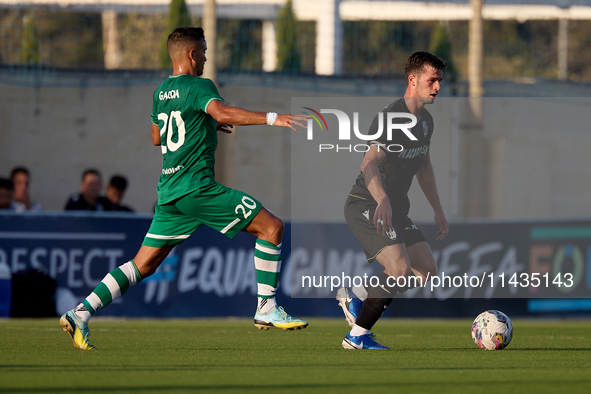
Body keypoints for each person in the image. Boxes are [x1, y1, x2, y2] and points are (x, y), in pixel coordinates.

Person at [60, 27, 309, 350]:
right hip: (197, 188)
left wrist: (202, 122)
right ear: (192, 54)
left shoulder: (161, 92)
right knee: (272, 228)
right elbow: (220, 110)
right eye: (204, 51)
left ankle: (80, 312)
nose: (206, 57)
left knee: (142, 265)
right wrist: (274, 118)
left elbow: (156, 136)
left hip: (169, 194)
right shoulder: (199, 86)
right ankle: (266, 307)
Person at [336, 52, 449, 350]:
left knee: (425, 271)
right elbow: (368, 163)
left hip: (396, 208)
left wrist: (438, 209)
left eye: (439, 81)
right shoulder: (391, 118)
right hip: (367, 203)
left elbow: (424, 166)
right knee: (399, 269)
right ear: (412, 80)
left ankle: (358, 292)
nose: (437, 86)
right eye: (432, 80)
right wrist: (382, 199)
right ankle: (357, 337)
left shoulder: (426, 122)